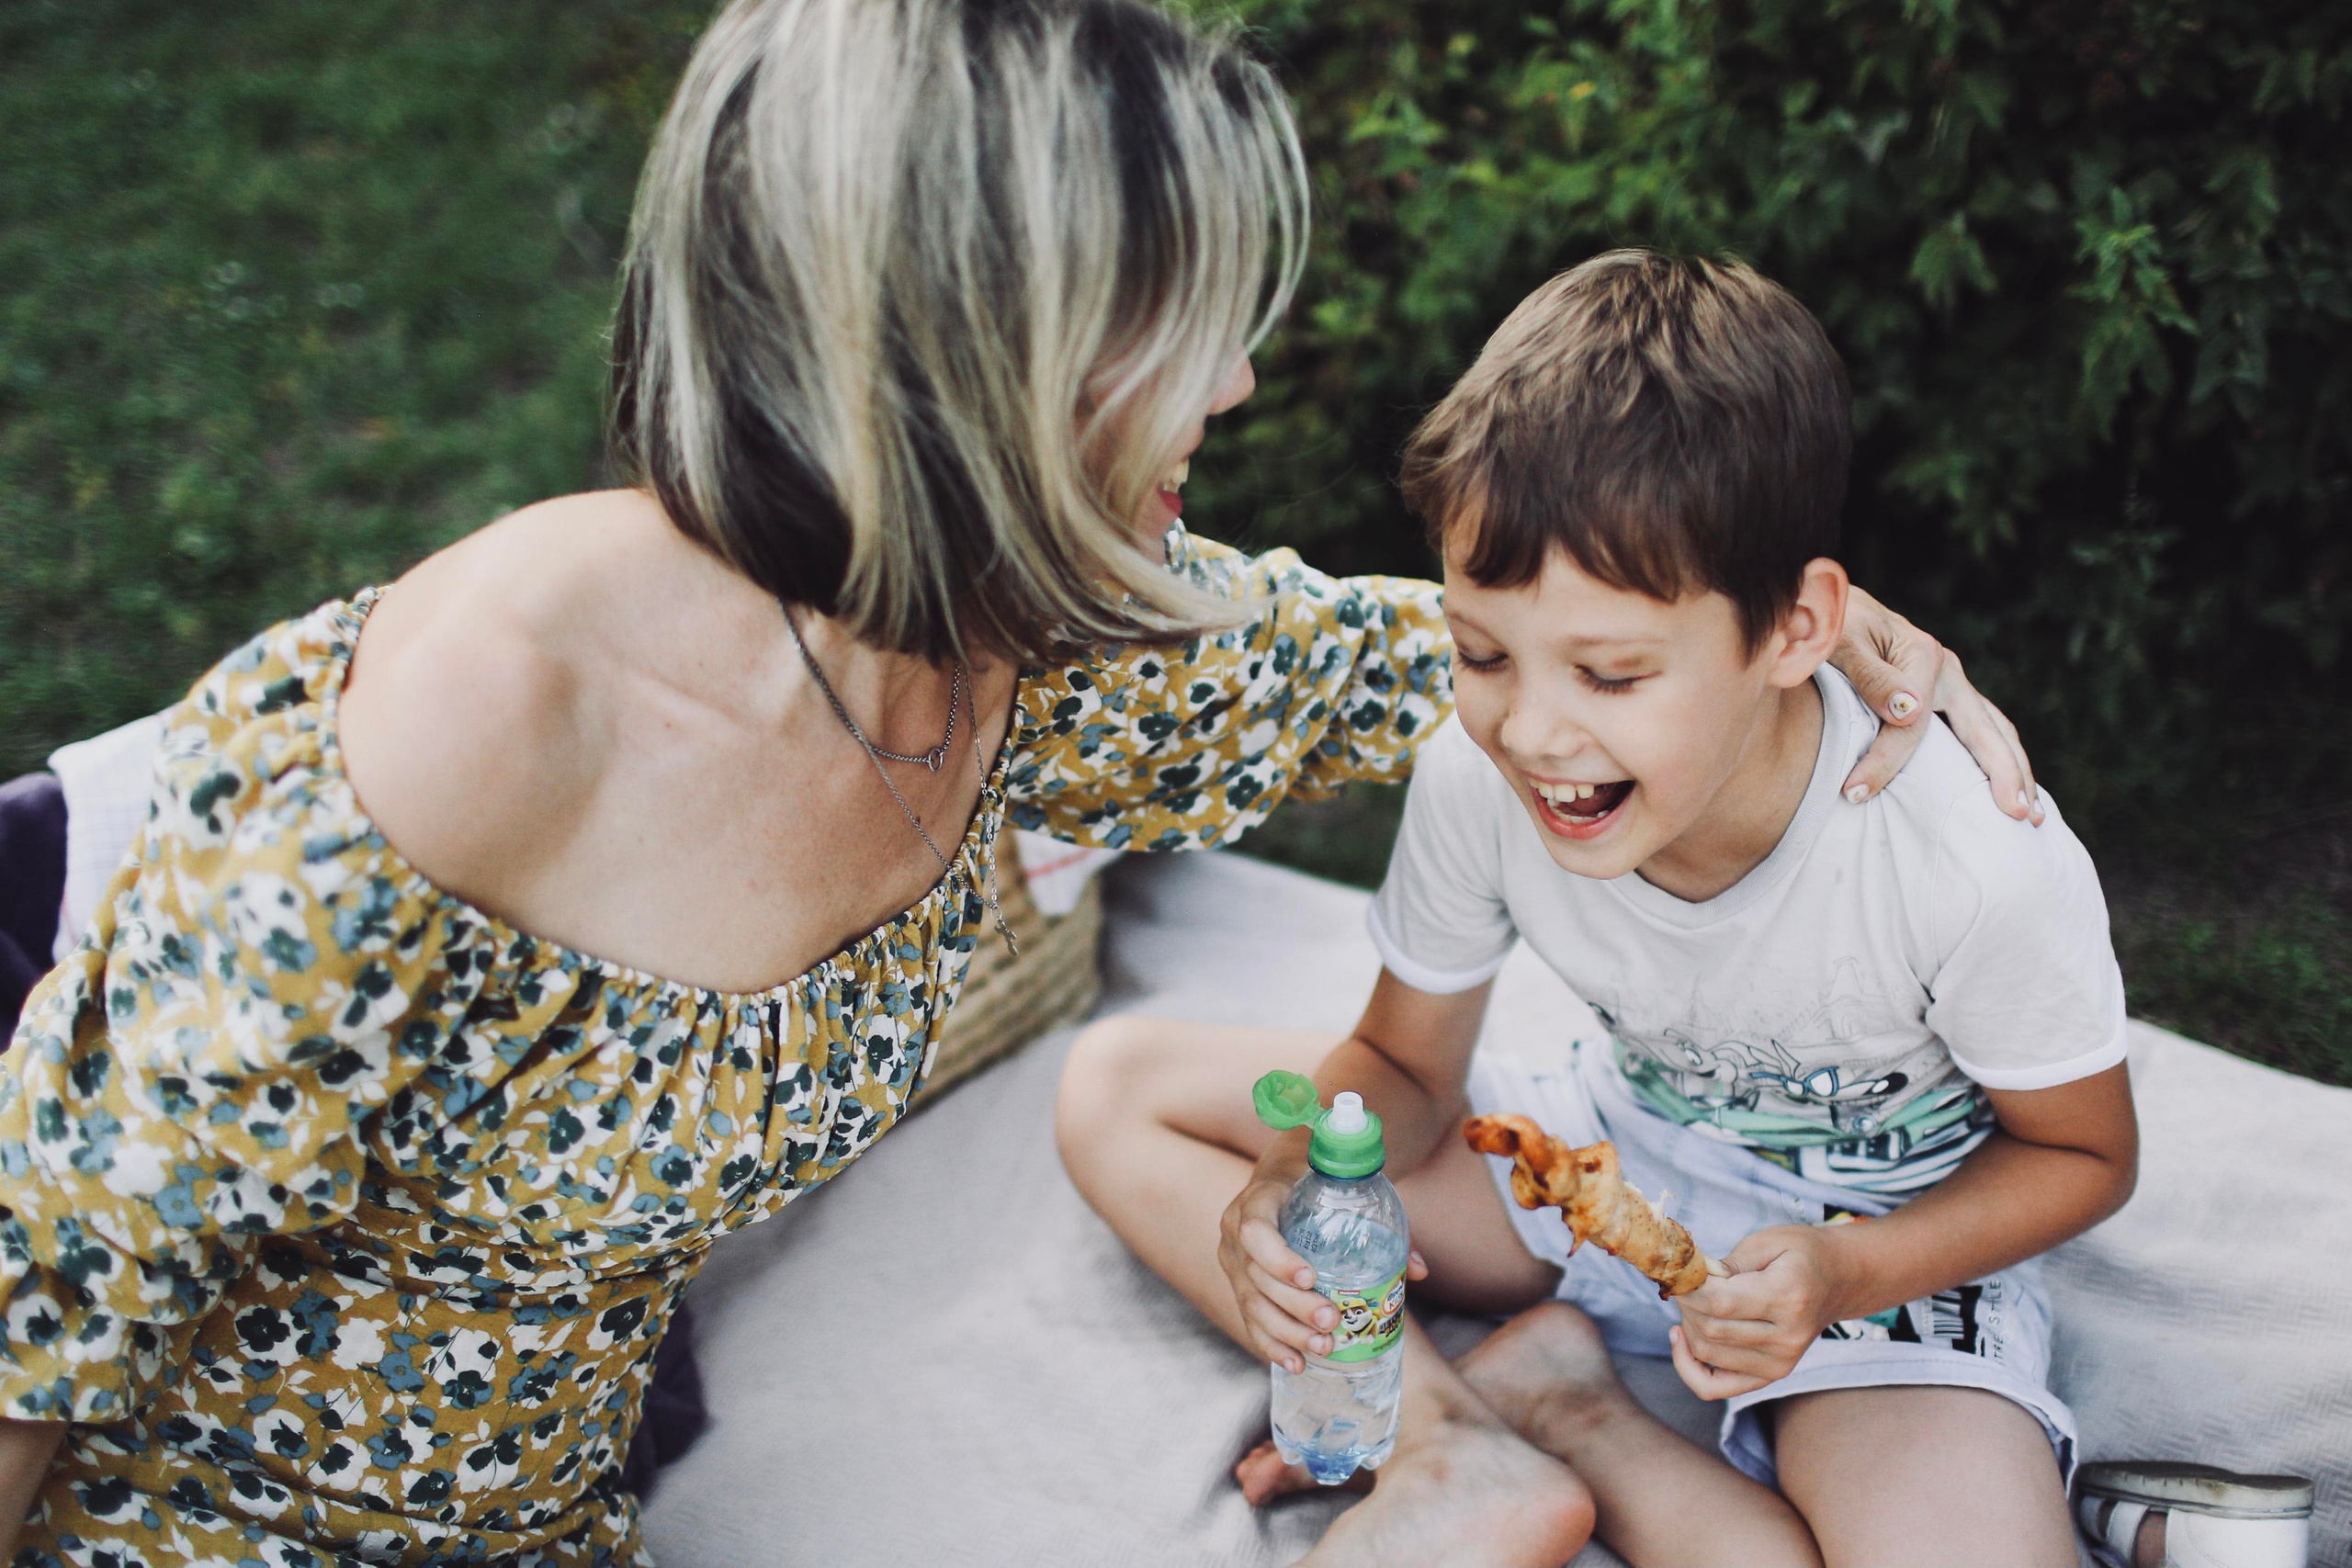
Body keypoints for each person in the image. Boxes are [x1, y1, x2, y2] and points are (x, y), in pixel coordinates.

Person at [0, 3, 2035, 1561]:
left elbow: (1467, 664)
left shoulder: (1031, 653)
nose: (1235, 384)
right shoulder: (471, 723)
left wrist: (1808, 643)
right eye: (1178, 324)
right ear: (967, 343)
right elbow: (35, 1324)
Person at [1059, 252, 2144, 1568]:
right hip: (1599, 1162)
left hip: (1882, 1263)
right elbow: (1404, 1070)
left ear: (1798, 630)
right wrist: (1286, 1186)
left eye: (1614, 674)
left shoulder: (1966, 859)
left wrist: (1843, 1275)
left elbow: (2082, 1157)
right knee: (1121, 1086)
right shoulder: (1482, 774)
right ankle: (1450, 1444)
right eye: (1478, 653)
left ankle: (1578, 1417)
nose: (1531, 728)